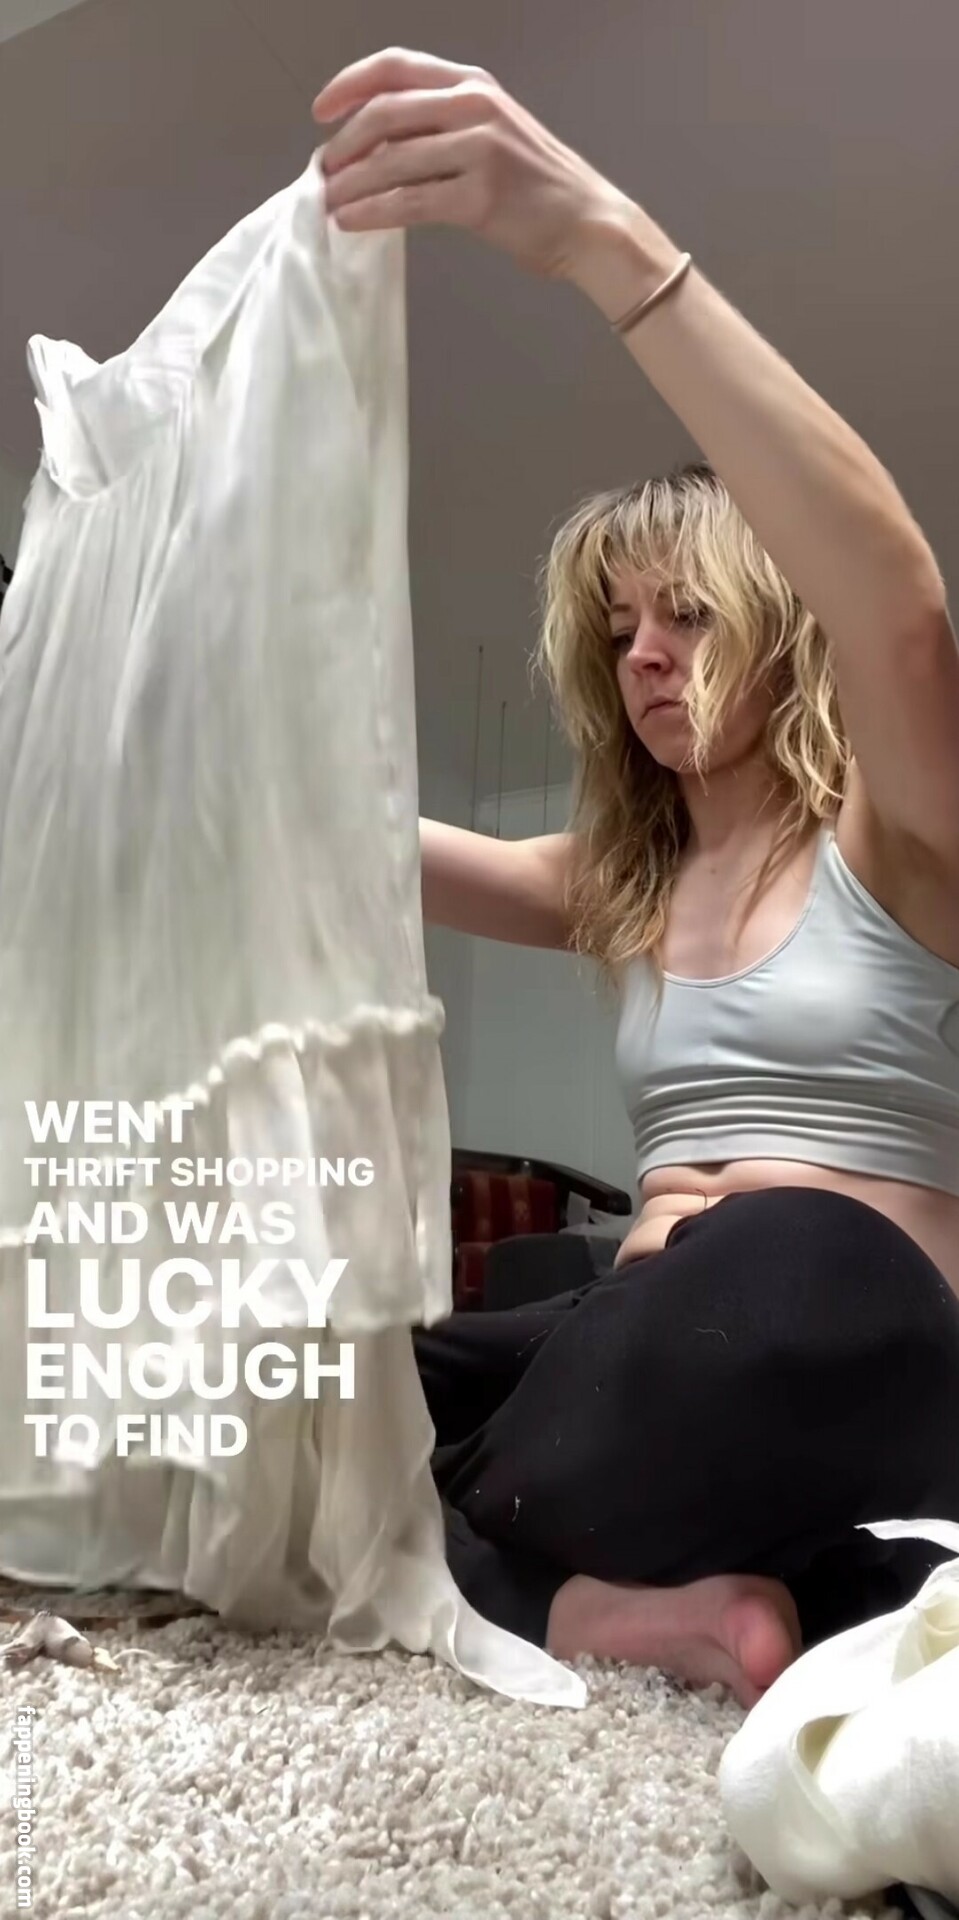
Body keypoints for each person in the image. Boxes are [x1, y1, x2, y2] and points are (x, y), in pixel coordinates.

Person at [312, 49, 959, 1709]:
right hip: (632, 1347)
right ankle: (671, 1601)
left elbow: (900, 609)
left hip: (834, 1328)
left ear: (780, 624)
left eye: (686, 615)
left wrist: (606, 246)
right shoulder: (621, 881)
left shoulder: (900, 838)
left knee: (761, 1264)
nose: (645, 657)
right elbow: (348, 839)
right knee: (326, 1392)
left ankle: (517, 1565)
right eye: (620, 632)